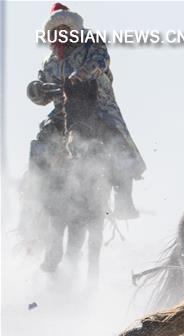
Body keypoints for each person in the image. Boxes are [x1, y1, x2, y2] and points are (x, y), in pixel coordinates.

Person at [25, 2, 145, 219]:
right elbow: (43, 89)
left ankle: (124, 199)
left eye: (65, 30)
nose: (61, 34)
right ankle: (35, 192)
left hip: (97, 104)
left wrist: (80, 75)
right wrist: (38, 90)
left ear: (73, 29)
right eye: (56, 31)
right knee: (41, 139)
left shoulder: (91, 43)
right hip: (62, 111)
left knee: (116, 140)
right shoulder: (50, 60)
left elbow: (101, 61)